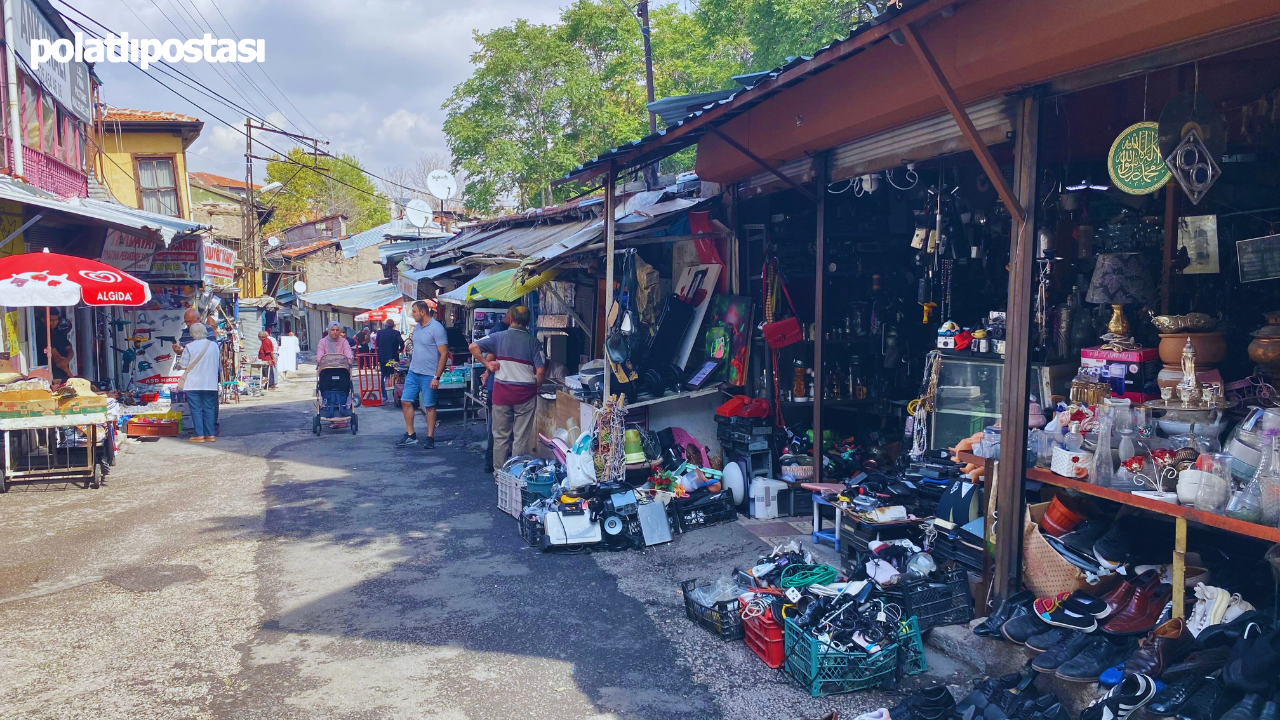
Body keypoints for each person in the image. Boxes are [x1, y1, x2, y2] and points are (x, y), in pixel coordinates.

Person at [469, 305, 545, 469]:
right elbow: (540, 371)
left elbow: (473, 347)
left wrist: (487, 364)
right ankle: (514, 473)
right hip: (525, 395)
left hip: (501, 394)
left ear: (510, 319)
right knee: (520, 437)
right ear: (528, 322)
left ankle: (498, 473)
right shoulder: (534, 343)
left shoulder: (497, 337)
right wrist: (536, 388)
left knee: (500, 436)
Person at [396, 300, 448, 449]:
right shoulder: (417, 328)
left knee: (429, 406)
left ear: (422, 312)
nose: (412, 314)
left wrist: (436, 377)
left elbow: (444, 354)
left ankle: (430, 437)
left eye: (414, 311)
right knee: (405, 401)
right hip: (414, 371)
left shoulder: (437, 329)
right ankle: (411, 435)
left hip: (429, 374)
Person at [172, 308, 220, 433]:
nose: (188, 324)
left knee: (199, 407)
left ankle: (204, 431)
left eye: (190, 321)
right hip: (207, 378)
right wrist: (179, 350)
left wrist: (185, 351)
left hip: (198, 377)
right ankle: (208, 433)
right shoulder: (186, 333)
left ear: (198, 319)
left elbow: (185, 360)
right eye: (186, 322)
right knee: (207, 406)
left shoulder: (208, 330)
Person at [375, 318, 404, 402]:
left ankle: (384, 395)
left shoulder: (380, 333)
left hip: (382, 357)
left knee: (383, 375)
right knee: (392, 375)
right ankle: (391, 394)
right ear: (393, 325)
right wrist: (400, 350)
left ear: (386, 325)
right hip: (392, 357)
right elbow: (401, 342)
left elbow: (377, 343)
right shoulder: (396, 333)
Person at [40, 307, 74, 382]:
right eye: (51, 320)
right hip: (54, 374)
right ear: (43, 319)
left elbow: (70, 349)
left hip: (63, 371)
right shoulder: (44, 333)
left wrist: (67, 360)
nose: (54, 322)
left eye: (56, 320)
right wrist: (70, 375)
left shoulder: (58, 331)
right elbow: (57, 358)